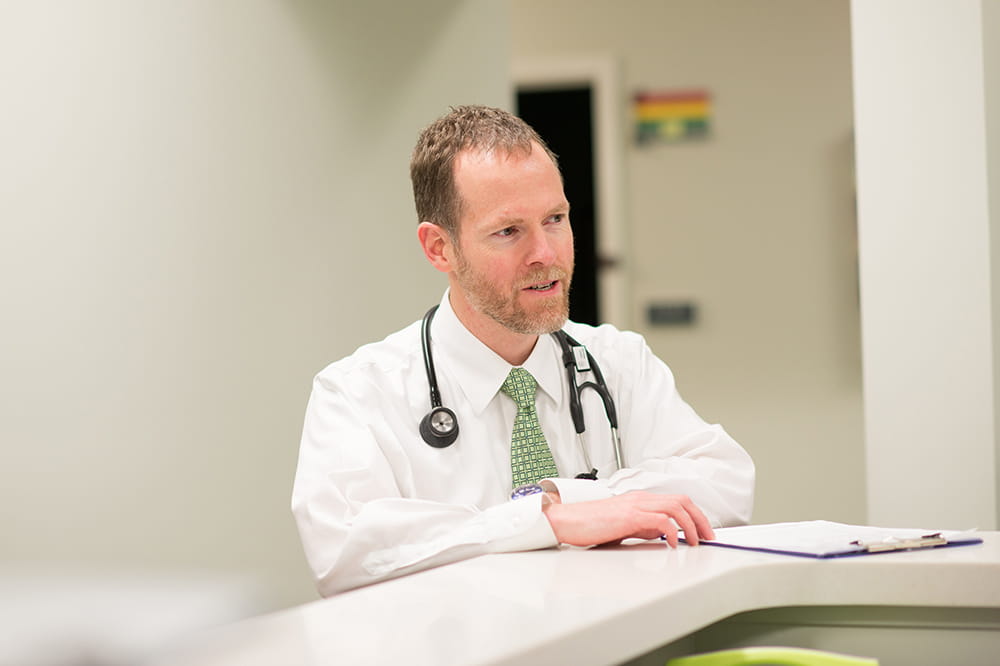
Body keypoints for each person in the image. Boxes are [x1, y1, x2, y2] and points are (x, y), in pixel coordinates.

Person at [292, 105, 754, 596]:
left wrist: (568, 498)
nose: (546, 254)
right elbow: (344, 551)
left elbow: (724, 482)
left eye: (555, 219)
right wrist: (546, 521)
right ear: (439, 249)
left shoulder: (619, 361)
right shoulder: (358, 392)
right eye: (508, 231)